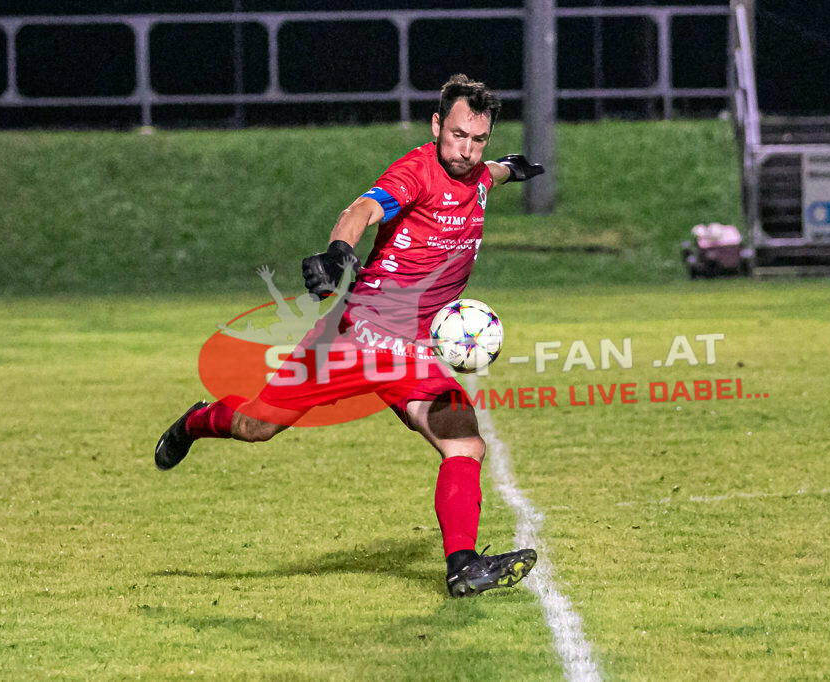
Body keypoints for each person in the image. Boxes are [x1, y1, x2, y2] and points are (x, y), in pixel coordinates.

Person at [154, 74, 544, 598]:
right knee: (256, 427)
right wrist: (339, 252)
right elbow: (362, 210)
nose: (466, 150)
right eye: (456, 135)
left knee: (464, 444)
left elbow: (489, 174)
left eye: (478, 140)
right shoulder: (418, 171)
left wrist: (512, 169)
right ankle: (197, 421)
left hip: (412, 350)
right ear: (436, 126)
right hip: (354, 337)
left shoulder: (476, 173)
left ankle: (463, 565)